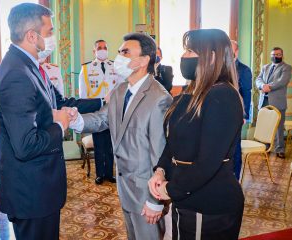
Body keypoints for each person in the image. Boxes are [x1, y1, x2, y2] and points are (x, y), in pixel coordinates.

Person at [69, 32, 172, 240]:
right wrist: (74, 119)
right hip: (125, 189)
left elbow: (160, 154)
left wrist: (155, 200)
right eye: (119, 52)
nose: (119, 57)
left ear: (144, 60)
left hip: (146, 193)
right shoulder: (120, 89)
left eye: (125, 52)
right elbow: (102, 119)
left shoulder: (159, 98)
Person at [149, 29, 245, 240]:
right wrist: (161, 170)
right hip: (186, 196)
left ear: (211, 56)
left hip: (208, 203)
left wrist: (171, 190)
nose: (184, 56)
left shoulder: (222, 96)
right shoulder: (191, 93)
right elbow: (173, 143)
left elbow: (208, 163)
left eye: (190, 50)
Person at [0, 3, 71, 239]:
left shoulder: (27, 65)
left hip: (39, 189)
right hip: (31, 193)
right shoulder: (17, 74)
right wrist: (60, 125)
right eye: (50, 32)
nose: (53, 37)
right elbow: (26, 145)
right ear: (32, 36)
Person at [79, 40, 124, 184]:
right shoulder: (86, 69)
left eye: (105, 47)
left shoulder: (115, 66)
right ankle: (100, 173)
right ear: (94, 51)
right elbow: (83, 94)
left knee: (110, 143)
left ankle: (109, 173)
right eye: (99, 48)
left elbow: (122, 87)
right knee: (99, 143)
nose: (103, 50)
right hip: (96, 111)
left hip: (112, 109)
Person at [256, 47, 292, 159]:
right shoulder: (265, 67)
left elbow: (282, 81)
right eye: (273, 54)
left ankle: (280, 149)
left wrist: (268, 87)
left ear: (282, 55)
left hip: (278, 101)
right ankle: (265, 147)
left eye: (278, 54)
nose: (275, 56)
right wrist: (262, 86)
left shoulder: (286, 67)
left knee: (279, 127)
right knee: (265, 125)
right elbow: (258, 79)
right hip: (264, 100)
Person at [231, 40, 252, 180]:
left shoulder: (244, 70)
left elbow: (247, 93)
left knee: (235, 149)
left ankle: (235, 180)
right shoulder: (219, 67)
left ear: (237, 51)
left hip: (237, 114)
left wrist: (244, 115)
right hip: (221, 115)